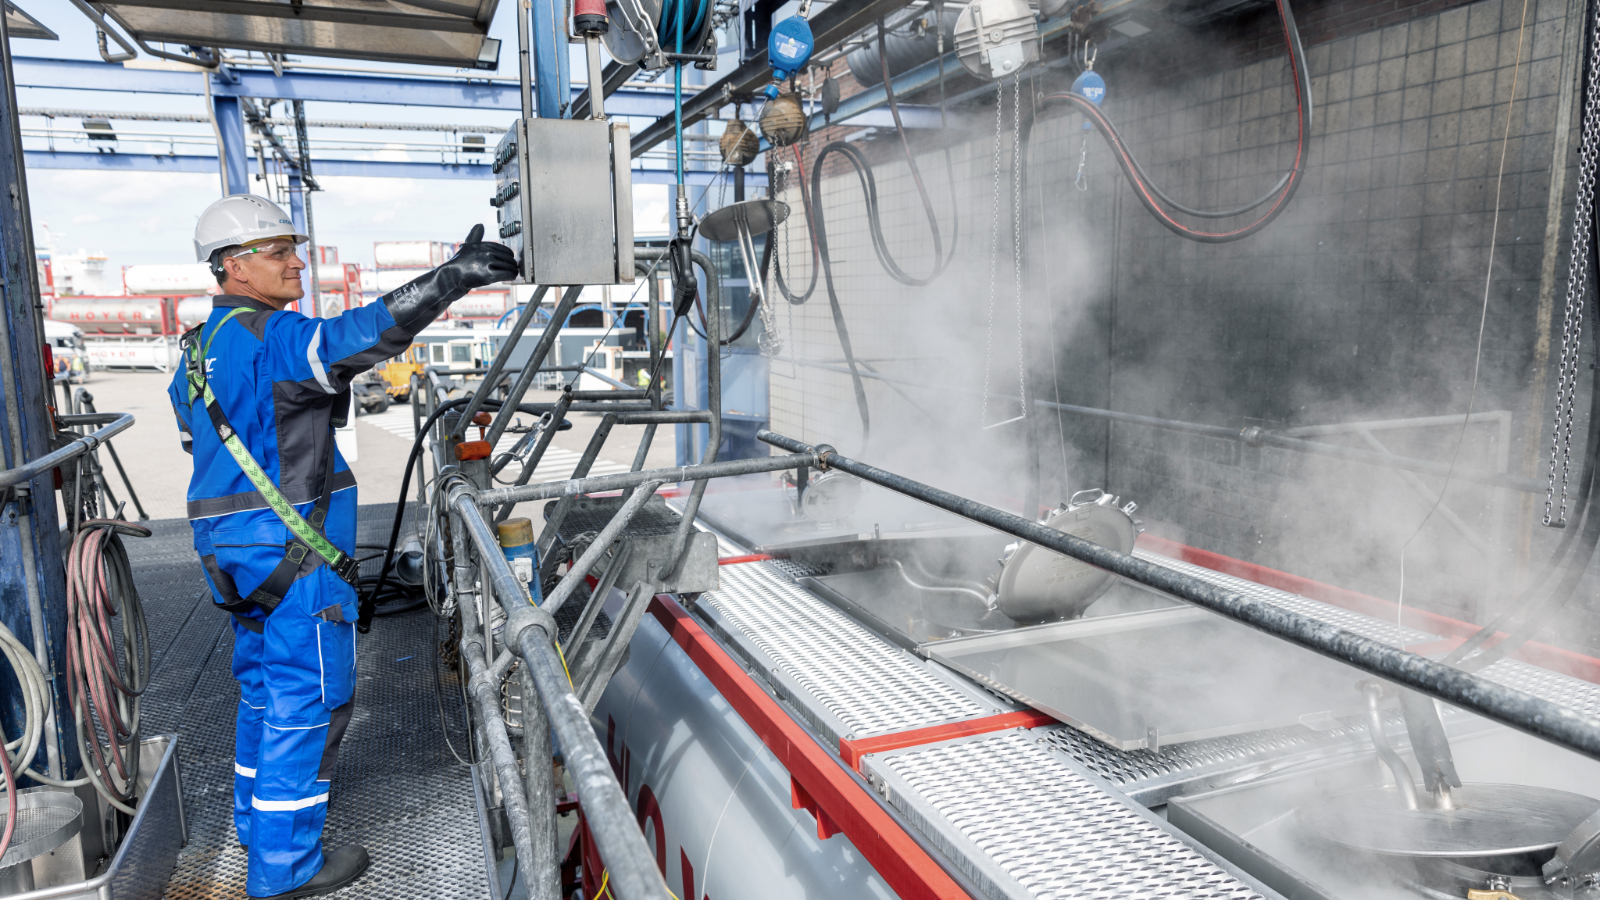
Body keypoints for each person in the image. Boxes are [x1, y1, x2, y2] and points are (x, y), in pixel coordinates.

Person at [168, 195, 516, 899]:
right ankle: (285, 868)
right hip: (291, 555)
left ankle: (252, 825)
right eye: (277, 251)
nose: (297, 261)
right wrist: (445, 281)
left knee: (264, 691)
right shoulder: (274, 336)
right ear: (233, 267)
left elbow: (192, 428)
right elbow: (350, 339)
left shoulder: (200, 347)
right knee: (312, 700)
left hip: (227, 550)